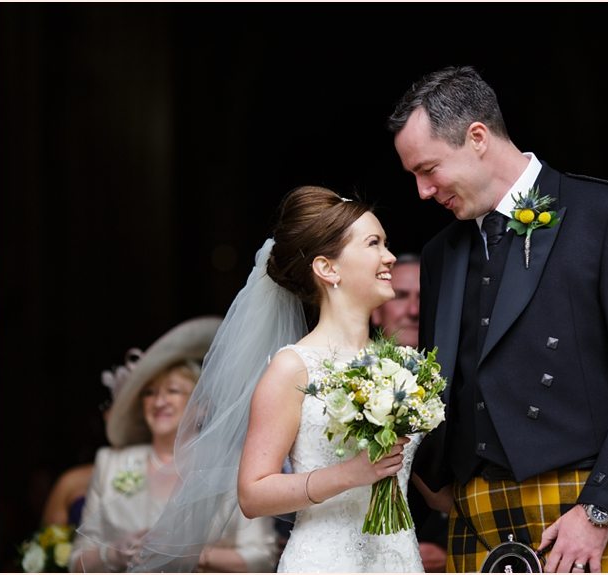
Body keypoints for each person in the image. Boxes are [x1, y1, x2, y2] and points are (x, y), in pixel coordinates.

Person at [387, 65, 608, 573]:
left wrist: (599, 510)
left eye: (428, 169)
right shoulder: (441, 252)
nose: (422, 191)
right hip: (475, 516)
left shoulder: (607, 214)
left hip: (580, 509)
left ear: (477, 137)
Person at [134, 186, 445, 573]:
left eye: (386, 243)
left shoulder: (406, 364)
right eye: (373, 244)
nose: (389, 257)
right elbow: (253, 492)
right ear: (327, 268)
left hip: (399, 559)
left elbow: (432, 486)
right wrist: (349, 474)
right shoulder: (293, 366)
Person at [69, 317, 278, 572]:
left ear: (201, 406)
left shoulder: (233, 467)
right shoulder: (110, 462)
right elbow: (74, 562)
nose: (159, 402)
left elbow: (264, 558)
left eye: (173, 391)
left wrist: (195, 554)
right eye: (150, 393)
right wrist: (112, 554)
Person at [371, 253, 449, 573]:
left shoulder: (455, 377)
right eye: (400, 296)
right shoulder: (349, 378)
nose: (414, 310)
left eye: (423, 298)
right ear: (376, 309)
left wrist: (445, 544)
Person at [41, 350, 139, 529]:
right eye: (121, 410)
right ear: (107, 416)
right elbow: (46, 547)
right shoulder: (70, 482)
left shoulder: (171, 476)